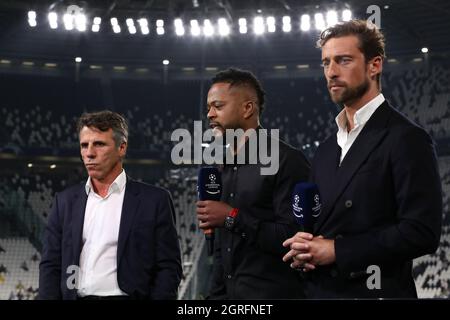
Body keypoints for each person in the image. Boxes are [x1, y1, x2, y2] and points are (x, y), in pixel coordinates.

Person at [283, 20, 442, 298]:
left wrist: (336, 250)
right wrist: (306, 246)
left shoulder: (406, 138)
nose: (331, 72)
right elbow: (323, 226)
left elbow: (421, 232)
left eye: (343, 60)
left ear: (374, 65)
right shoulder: (325, 150)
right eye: (326, 63)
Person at [39, 111, 182, 300]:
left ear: (121, 148)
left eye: (99, 144)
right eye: (84, 145)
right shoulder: (64, 201)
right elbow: (51, 265)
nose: (89, 153)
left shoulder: (155, 200)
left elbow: (168, 267)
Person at [196, 68, 310, 299]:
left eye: (218, 106)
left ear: (247, 108)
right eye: (208, 107)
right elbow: (223, 247)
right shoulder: (221, 165)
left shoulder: (286, 159)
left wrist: (232, 217)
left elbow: (295, 237)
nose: (209, 114)